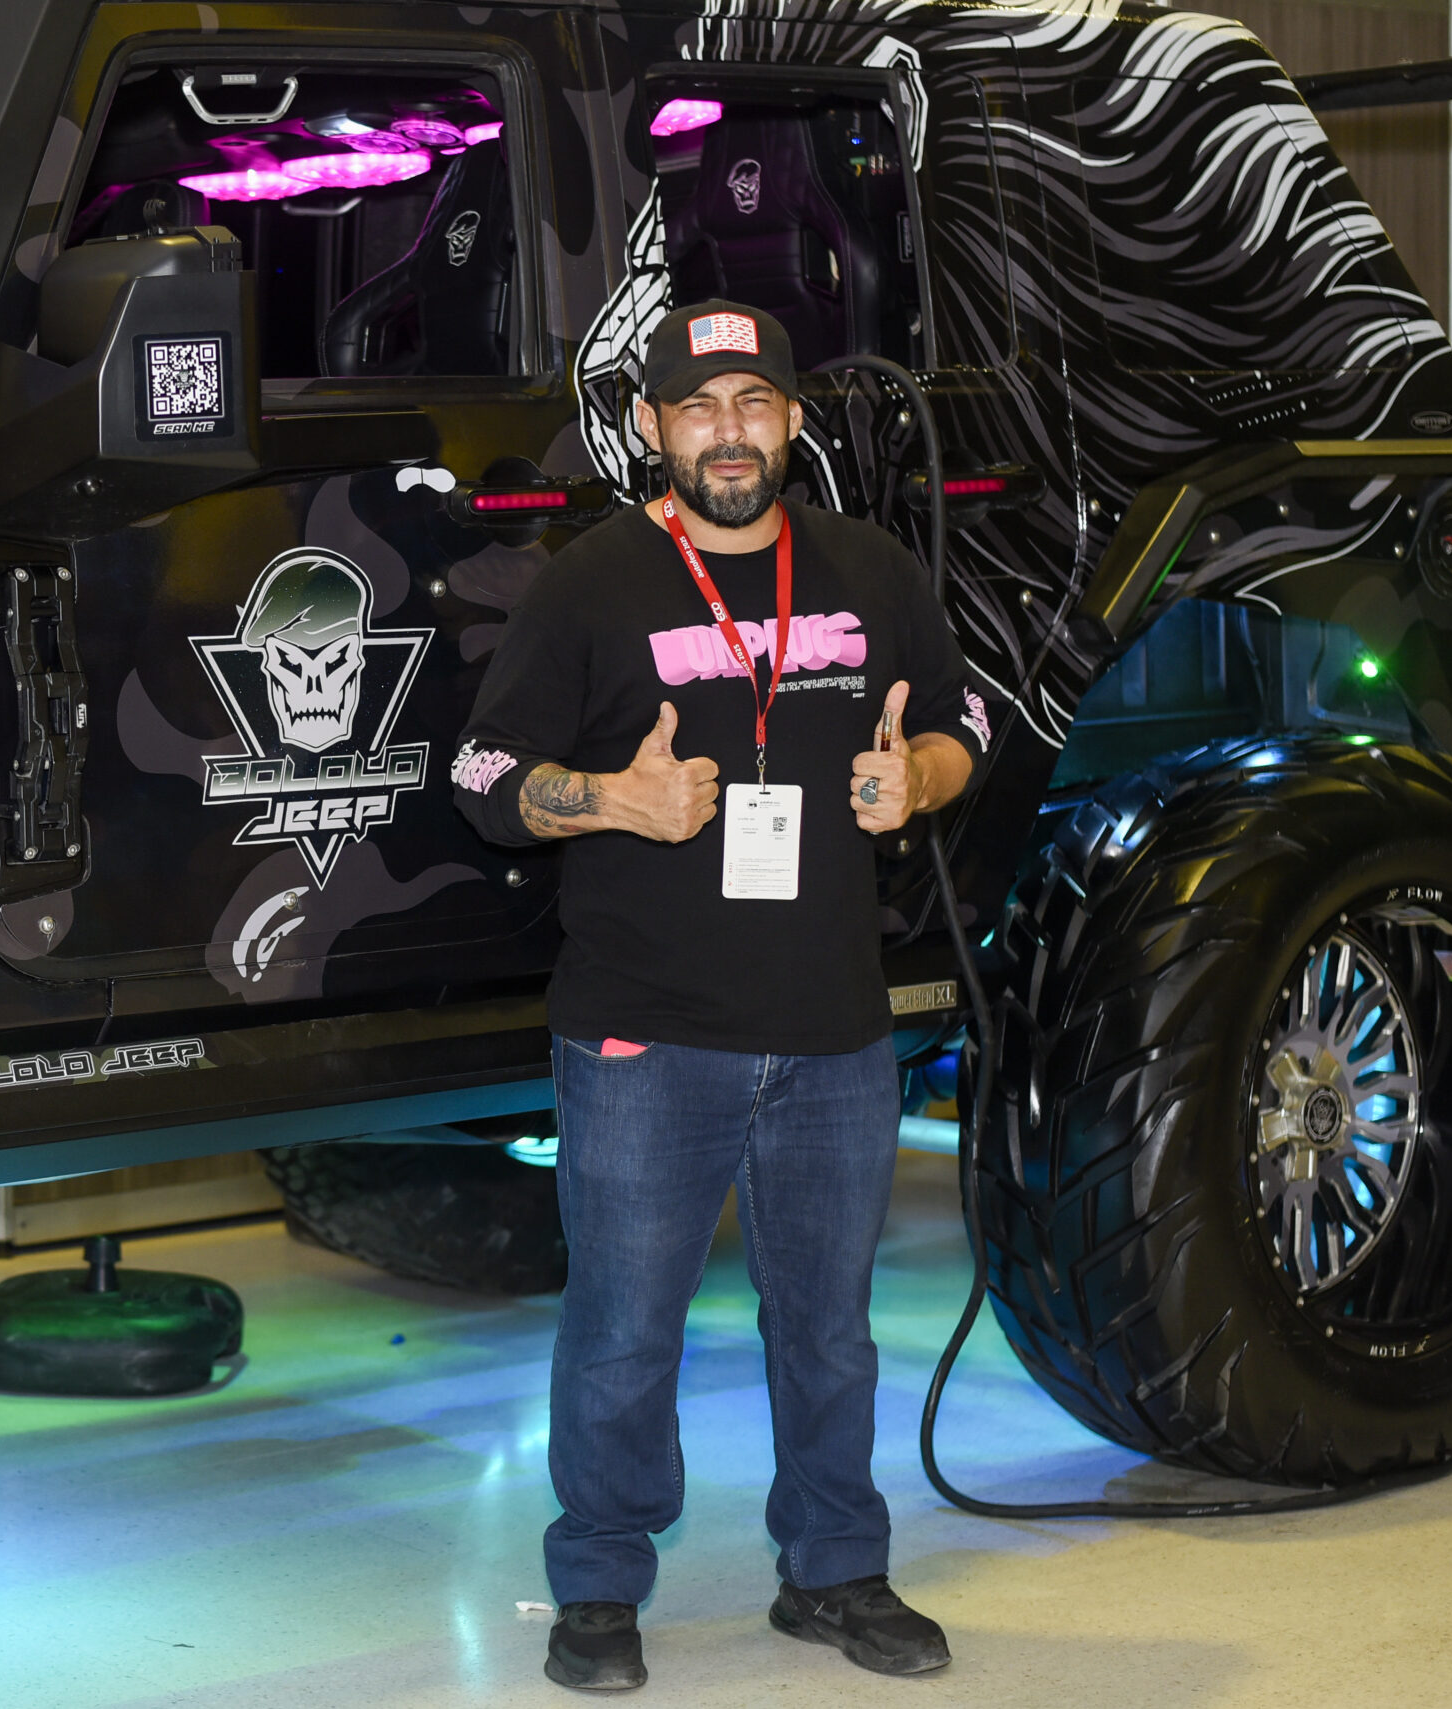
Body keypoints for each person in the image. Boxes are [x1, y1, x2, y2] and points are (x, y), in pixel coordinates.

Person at [450, 300, 990, 1693]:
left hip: (833, 1029)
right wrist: (606, 799)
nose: (728, 432)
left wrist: (920, 778)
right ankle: (598, 1583)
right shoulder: (589, 583)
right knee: (623, 1330)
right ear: (652, 427)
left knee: (830, 1330)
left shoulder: (868, 569)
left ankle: (834, 1570)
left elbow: (966, 718)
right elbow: (480, 774)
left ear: (794, 420)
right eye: (698, 406)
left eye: (754, 401)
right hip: (645, 1032)